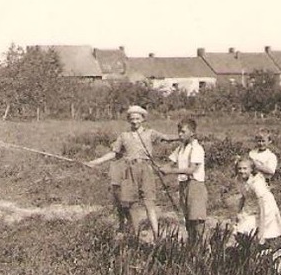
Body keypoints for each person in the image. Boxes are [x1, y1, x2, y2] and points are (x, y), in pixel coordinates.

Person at [86, 104, 174, 240]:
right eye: (132, 119)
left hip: (145, 169)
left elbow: (167, 138)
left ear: (143, 119)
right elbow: (114, 153)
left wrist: (184, 137)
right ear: (129, 120)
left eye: (138, 118)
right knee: (130, 203)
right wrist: (96, 161)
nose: (135, 121)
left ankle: (157, 236)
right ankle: (135, 234)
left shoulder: (150, 133)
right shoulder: (124, 136)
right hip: (129, 170)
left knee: (149, 202)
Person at [229, 156, 281, 247]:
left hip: (265, 207)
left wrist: (261, 231)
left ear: (251, 169)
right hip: (251, 205)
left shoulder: (256, 182)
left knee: (266, 234)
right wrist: (238, 213)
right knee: (240, 229)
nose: (242, 171)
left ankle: (267, 252)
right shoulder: (238, 180)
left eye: (245, 168)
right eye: (239, 168)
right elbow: (243, 197)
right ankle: (248, 252)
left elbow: (262, 206)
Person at [167, 117, 208, 245]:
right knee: (187, 219)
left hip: (195, 186)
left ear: (192, 133)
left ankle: (202, 246)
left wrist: (170, 171)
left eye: (183, 132)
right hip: (183, 185)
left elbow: (192, 170)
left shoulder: (197, 148)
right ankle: (192, 246)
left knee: (197, 219)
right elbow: (170, 163)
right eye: (179, 131)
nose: (180, 134)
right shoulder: (180, 148)